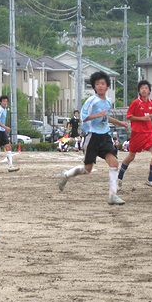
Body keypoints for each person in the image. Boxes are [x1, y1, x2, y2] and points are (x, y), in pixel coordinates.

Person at [57, 71, 129, 205]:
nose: (100, 86)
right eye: (97, 84)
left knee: (114, 163)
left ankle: (112, 195)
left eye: (103, 83)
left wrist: (120, 123)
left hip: (105, 136)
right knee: (87, 169)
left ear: (107, 86)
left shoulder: (108, 101)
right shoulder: (91, 101)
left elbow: (106, 117)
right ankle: (66, 175)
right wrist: (97, 115)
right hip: (92, 137)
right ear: (94, 87)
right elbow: (83, 118)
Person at [117, 80, 152, 191]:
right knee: (131, 157)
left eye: (146, 88)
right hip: (137, 133)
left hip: (149, 132)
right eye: (142, 88)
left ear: (149, 90)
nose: (144, 90)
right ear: (139, 91)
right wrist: (142, 118)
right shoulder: (136, 103)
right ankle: (119, 178)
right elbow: (128, 116)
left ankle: (150, 180)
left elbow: (150, 114)